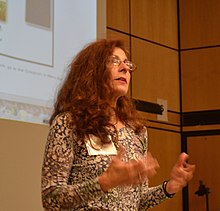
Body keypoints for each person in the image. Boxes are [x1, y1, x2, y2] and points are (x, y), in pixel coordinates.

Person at [41, 38, 195, 210]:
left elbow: (137, 200)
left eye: (127, 64)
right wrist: (104, 182)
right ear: (92, 71)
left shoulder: (136, 131)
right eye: (114, 61)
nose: (125, 68)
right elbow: (51, 198)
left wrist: (169, 187)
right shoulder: (69, 123)